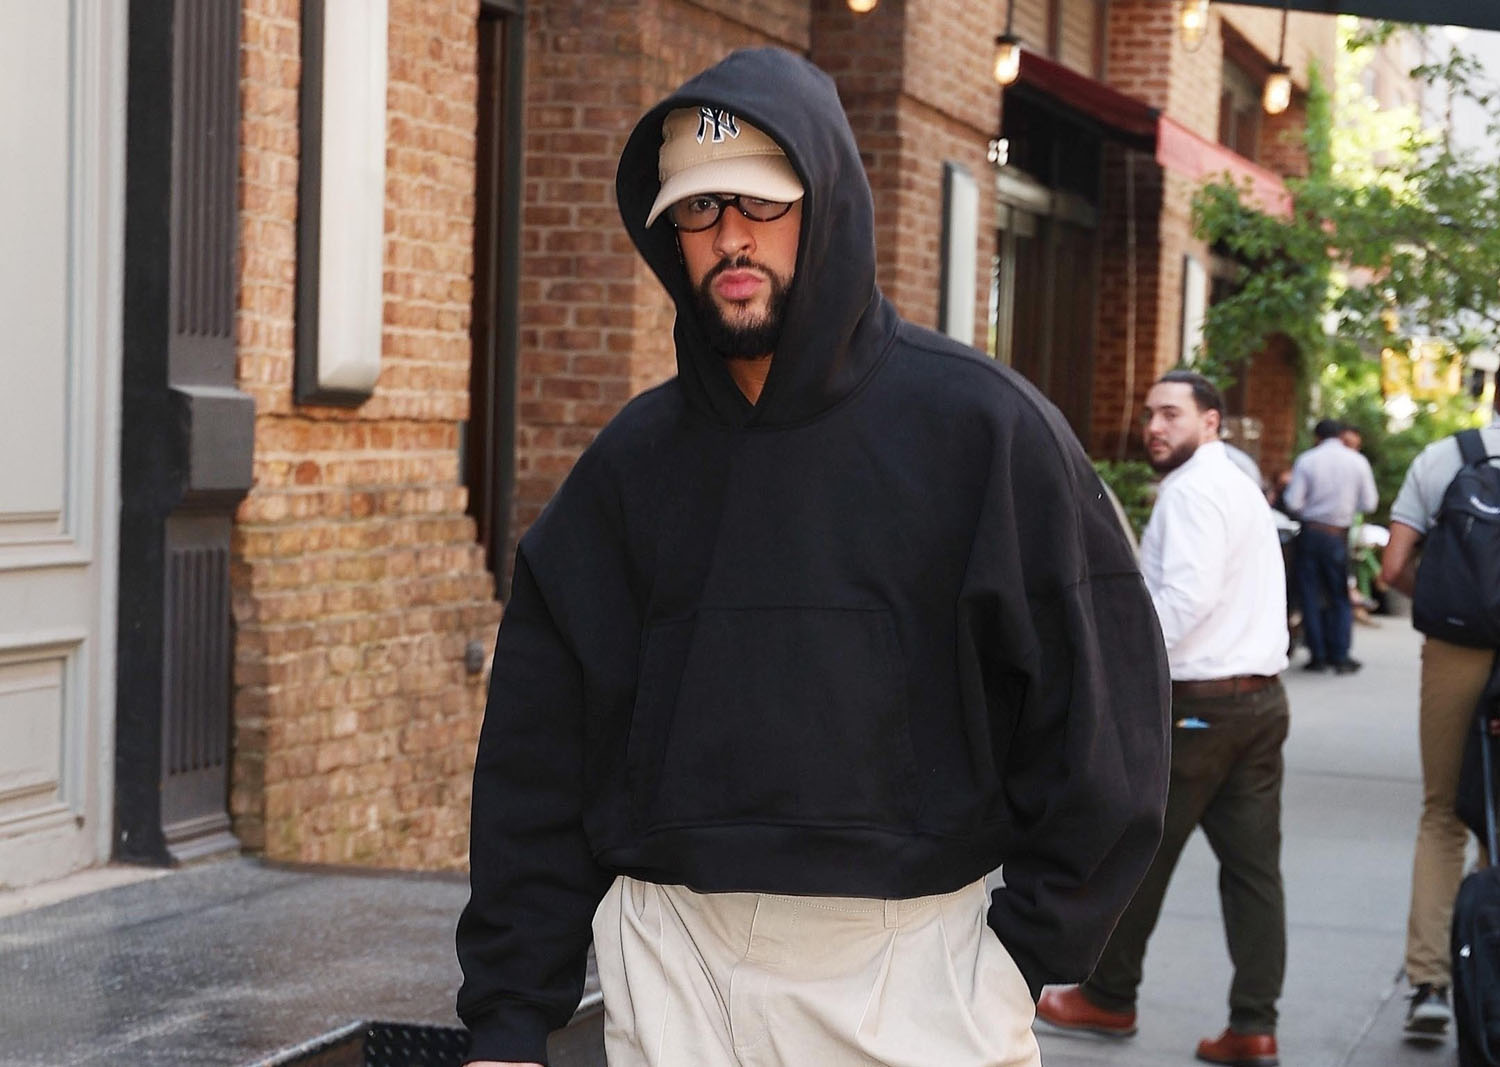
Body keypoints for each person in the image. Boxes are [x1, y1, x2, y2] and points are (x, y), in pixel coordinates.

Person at [454, 47, 1170, 1067]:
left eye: (762, 199)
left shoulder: (984, 433)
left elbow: (1107, 722)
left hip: (912, 972)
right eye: (698, 209)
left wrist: (1017, 955)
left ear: (827, 203)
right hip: (672, 965)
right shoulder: (628, 470)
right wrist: (509, 1016)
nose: (731, 235)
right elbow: (537, 760)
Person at [1036, 370, 1291, 1067]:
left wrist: (1119, 672)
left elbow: (1183, 601)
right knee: (1253, 872)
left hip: (1199, 709)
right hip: (1260, 703)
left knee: (1137, 852)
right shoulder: (1238, 483)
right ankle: (1255, 1024)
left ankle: (1109, 996)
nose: (1153, 426)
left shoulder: (1191, 493)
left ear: (1210, 422)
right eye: (1150, 413)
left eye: (1171, 414)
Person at [1379, 415, 1500, 1039]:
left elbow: (1392, 566)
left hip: (1456, 648)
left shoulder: (1445, 457)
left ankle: (1430, 984)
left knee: (1443, 812)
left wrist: (1447, 603)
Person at [1281, 418, 1378, 673]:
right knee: (1340, 595)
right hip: (1338, 535)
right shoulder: (1357, 462)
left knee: (1310, 594)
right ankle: (1340, 654)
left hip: (1312, 532)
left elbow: (1294, 502)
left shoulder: (1307, 460)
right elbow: (1369, 503)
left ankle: (1318, 655)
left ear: (1317, 437)